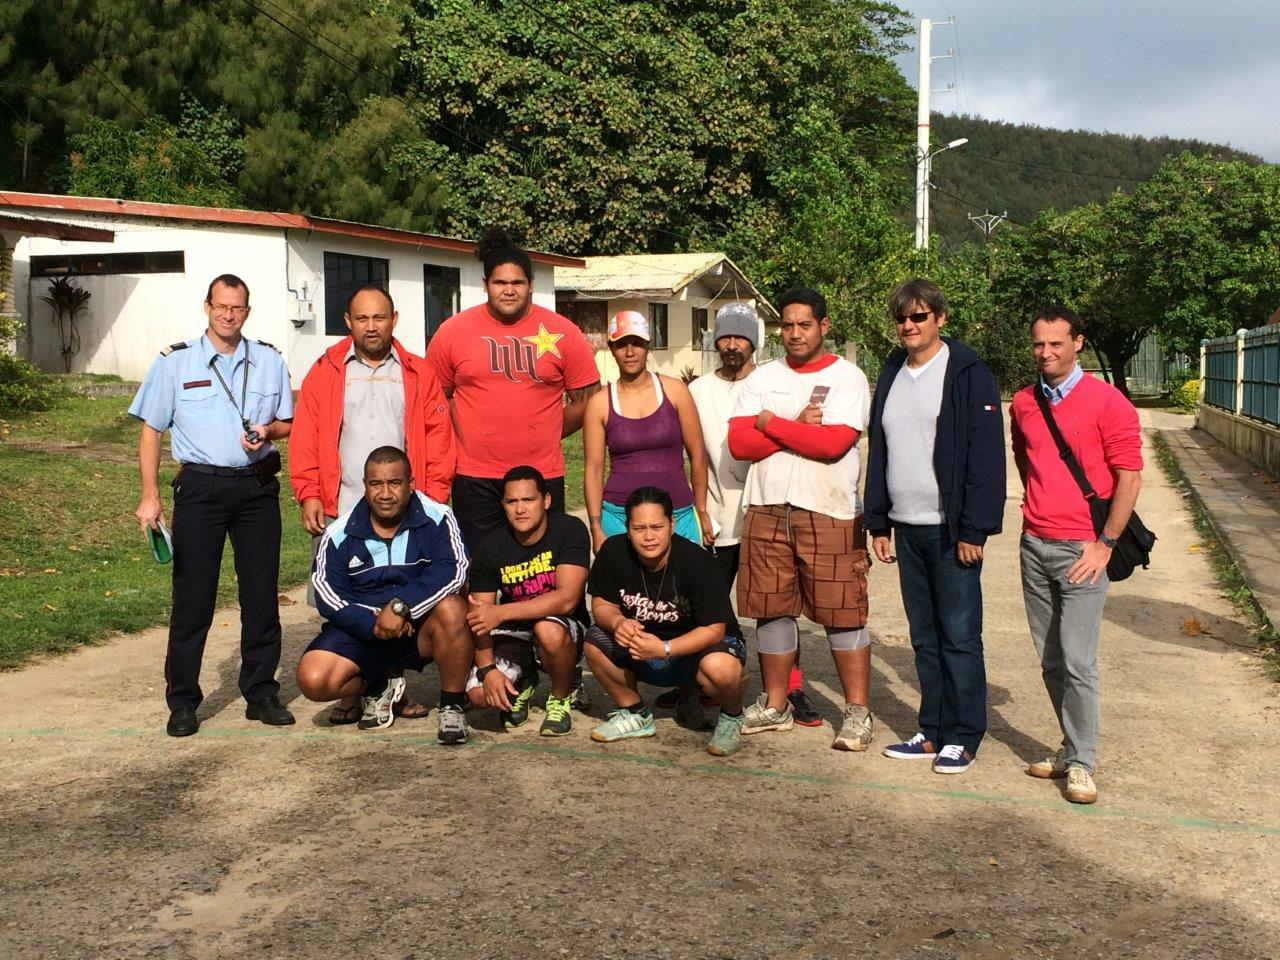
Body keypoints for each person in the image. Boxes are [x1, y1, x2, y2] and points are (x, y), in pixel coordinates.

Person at [130, 274, 295, 738]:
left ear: (247, 311)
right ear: (207, 307)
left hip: (256, 489)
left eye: (237, 308)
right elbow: (150, 430)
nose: (228, 315)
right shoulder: (175, 362)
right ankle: (183, 701)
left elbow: (287, 422)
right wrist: (150, 496)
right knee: (193, 599)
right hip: (200, 488)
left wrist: (268, 431)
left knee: (261, 594)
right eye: (220, 306)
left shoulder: (268, 360)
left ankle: (260, 692)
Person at [289, 284, 455, 724]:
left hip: (404, 505)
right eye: (362, 318)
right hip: (342, 506)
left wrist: (432, 497)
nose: (371, 326)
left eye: (379, 317)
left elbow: (439, 438)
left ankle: (395, 687)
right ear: (348, 322)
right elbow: (305, 436)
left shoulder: (418, 373)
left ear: (394, 319)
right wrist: (308, 492)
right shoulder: (324, 372)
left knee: (401, 589)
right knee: (345, 596)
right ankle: (360, 690)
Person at [864, 279, 1006, 775]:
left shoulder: (966, 371)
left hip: (952, 531)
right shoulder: (891, 370)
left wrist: (975, 529)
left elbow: (986, 455)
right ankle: (932, 729)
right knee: (923, 635)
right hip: (907, 526)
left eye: (919, 317)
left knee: (961, 636)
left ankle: (964, 735)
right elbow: (880, 448)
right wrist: (877, 520)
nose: (909, 325)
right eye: (902, 318)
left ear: (940, 320)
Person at [728, 288, 874, 750]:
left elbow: (832, 445)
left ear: (824, 327)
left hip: (828, 509)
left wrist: (770, 423)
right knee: (771, 608)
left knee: (843, 612)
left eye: (804, 325)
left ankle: (857, 712)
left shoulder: (849, 378)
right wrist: (795, 424)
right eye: (786, 326)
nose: (794, 334)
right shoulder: (762, 377)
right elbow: (739, 445)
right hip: (768, 507)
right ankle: (776, 704)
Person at [1010, 305, 1143, 804]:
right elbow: (1026, 459)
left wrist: (1105, 543)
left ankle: (1083, 763)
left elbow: (1129, 476)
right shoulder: (1024, 402)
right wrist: (1037, 512)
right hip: (1034, 543)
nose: (1045, 353)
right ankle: (1070, 747)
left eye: (1056, 344)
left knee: (1078, 661)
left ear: (1077, 343)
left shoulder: (1109, 404)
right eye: (1038, 344)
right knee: (1049, 658)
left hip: (1083, 549)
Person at [687, 301, 823, 727]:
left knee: (777, 606)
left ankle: (791, 688)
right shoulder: (698, 391)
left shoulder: (773, 383)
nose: (731, 345)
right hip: (716, 511)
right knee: (709, 602)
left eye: (740, 337)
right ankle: (710, 681)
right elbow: (694, 456)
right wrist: (700, 509)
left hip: (769, 508)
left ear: (755, 341)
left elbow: (798, 439)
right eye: (724, 337)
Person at [426, 227, 600, 550]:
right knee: (479, 571)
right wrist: (468, 428)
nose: (509, 290)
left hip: (541, 474)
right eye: (500, 283)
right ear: (485, 285)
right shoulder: (452, 332)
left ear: (531, 285)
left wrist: (547, 430)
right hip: (475, 476)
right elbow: (436, 398)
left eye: (517, 282)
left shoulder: (564, 333)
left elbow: (588, 401)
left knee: (539, 571)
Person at [296, 446, 474, 743]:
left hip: (417, 627)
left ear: (411, 483)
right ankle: (378, 683)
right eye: (376, 484)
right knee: (314, 680)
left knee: (454, 608)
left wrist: (401, 606)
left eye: (394, 483)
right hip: (367, 631)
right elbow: (327, 594)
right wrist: (373, 624)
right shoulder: (339, 532)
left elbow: (454, 571)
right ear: (365, 486)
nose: (385, 493)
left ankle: (452, 705)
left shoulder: (439, 517)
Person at [584, 487, 747, 757]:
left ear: (672, 524)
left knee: (720, 668)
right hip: (643, 646)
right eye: (639, 528)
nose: (649, 537)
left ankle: (731, 716)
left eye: (657, 527)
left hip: (697, 647)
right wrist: (617, 622)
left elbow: (714, 629)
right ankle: (635, 713)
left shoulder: (699, 562)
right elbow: (600, 604)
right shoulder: (613, 551)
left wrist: (665, 649)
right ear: (627, 528)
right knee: (594, 641)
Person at [464, 466, 591, 737]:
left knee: (547, 629)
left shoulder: (569, 530)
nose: (520, 509)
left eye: (528, 500)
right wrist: (488, 670)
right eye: (512, 502)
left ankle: (559, 697)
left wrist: (502, 612)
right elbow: (480, 616)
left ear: (546, 500)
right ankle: (525, 679)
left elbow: (567, 599)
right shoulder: (490, 546)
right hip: (516, 629)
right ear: (503, 505)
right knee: (478, 694)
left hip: (563, 626)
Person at [583, 308, 711, 551]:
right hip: (620, 518)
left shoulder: (676, 391)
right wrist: (595, 526)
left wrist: (701, 510)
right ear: (611, 349)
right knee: (625, 589)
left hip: (678, 514)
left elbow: (698, 454)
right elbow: (593, 468)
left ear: (648, 346)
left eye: (637, 343)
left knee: (680, 586)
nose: (630, 352)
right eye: (622, 345)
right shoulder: (599, 403)